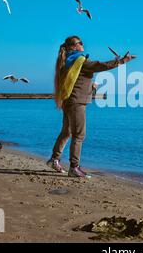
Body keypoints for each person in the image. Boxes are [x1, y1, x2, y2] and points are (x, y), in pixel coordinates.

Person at [47, 36, 136, 178]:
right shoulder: (79, 60)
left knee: (67, 132)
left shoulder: (68, 61)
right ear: (73, 47)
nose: (82, 44)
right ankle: (74, 167)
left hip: (69, 101)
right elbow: (101, 65)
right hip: (77, 102)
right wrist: (122, 61)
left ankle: (54, 159)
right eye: (79, 43)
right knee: (79, 135)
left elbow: (75, 82)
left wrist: (91, 87)